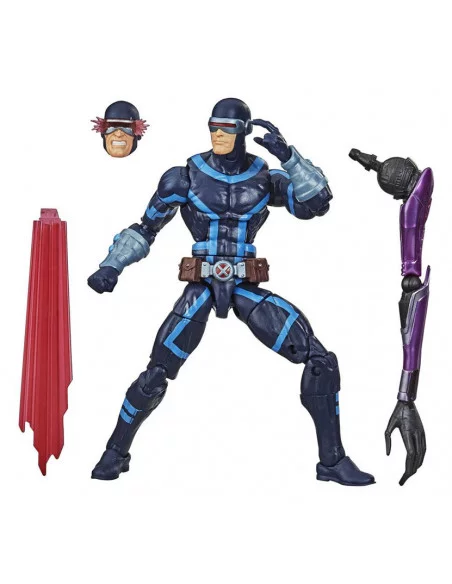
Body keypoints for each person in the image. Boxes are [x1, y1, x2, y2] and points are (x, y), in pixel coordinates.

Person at [88, 98, 374, 486]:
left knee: (320, 361)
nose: (218, 135)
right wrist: (112, 266)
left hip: (244, 285)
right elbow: (147, 227)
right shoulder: (185, 177)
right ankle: (114, 452)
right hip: (201, 285)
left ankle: (333, 462)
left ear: (243, 132)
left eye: (227, 129)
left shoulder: (264, 178)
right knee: (156, 373)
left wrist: (290, 158)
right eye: (213, 127)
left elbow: (316, 204)